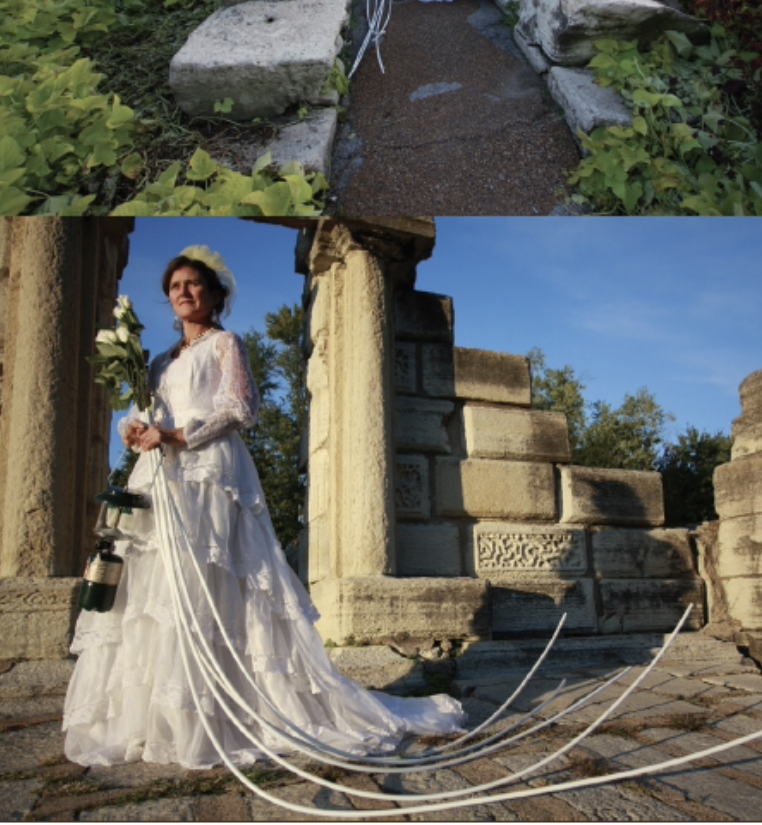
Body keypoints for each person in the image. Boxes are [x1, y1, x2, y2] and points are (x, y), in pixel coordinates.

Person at [63, 247, 465, 770]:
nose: (183, 292)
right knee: (156, 586)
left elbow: (241, 408)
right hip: (162, 477)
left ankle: (226, 707)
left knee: (211, 581)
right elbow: (144, 412)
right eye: (175, 287)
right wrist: (136, 428)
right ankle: (160, 716)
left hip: (209, 472)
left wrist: (178, 434)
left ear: (214, 295)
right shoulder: (160, 361)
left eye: (193, 285)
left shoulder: (225, 344)